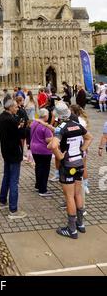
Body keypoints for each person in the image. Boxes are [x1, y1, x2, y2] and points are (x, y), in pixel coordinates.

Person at [49, 102, 92, 238]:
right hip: (79, 162)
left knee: (69, 196)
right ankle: (80, 224)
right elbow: (89, 137)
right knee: (77, 194)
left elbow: (53, 145)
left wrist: (60, 156)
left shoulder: (61, 127)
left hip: (68, 165)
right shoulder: (78, 124)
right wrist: (82, 150)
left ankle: (72, 229)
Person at [0, 99, 26, 219]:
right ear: (9, 108)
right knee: (14, 180)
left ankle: (2, 202)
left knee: (7, 176)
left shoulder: (1, 117)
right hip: (14, 152)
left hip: (6, 151)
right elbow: (20, 135)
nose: (17, 108)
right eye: (15, 107)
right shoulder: (11, 120)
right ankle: (13, 210)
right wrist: (22, 127)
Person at [30, 108, 53, 196]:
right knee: (45, 169)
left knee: (38, 167)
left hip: (34, 148)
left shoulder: (34, 123)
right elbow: (48, 140)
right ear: (46, 116)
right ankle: (43, 189)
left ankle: (38, 185)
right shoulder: (45, 126)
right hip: (44, 150)